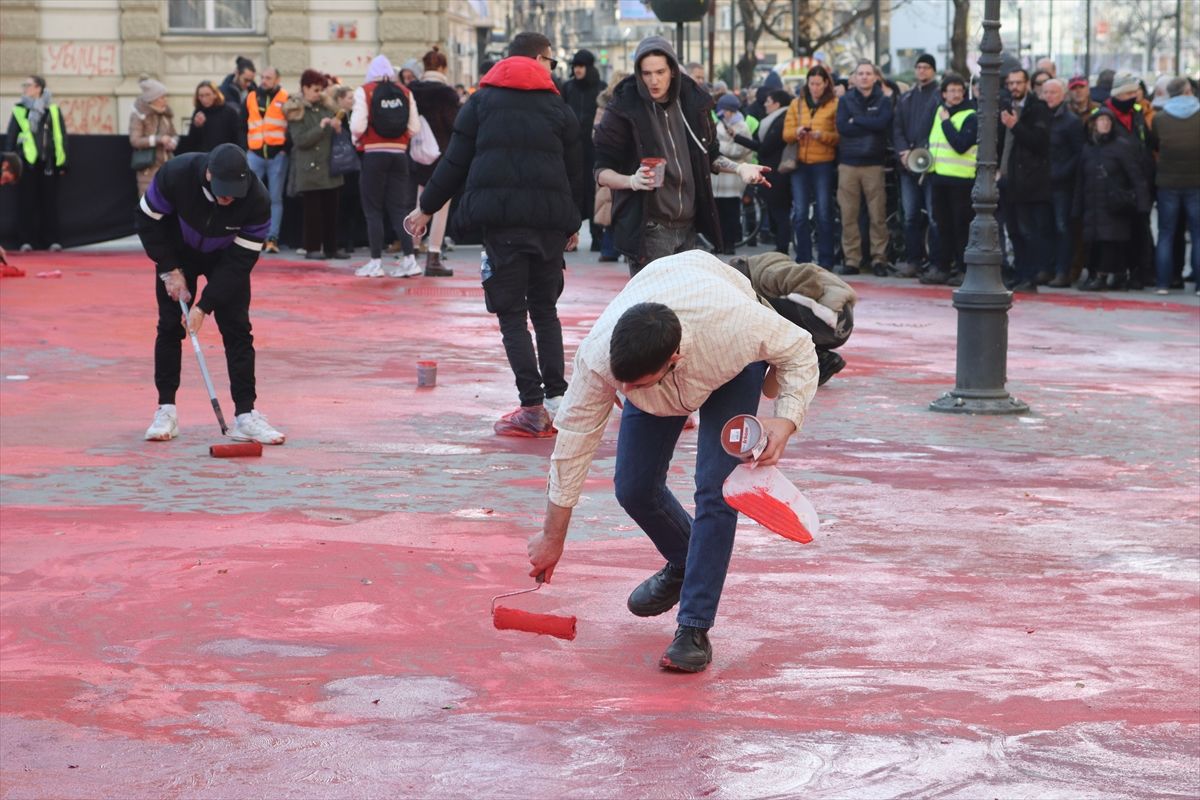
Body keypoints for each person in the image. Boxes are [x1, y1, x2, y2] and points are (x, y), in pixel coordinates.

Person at [524, 249, 818, 673]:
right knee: (633, 487)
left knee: (718, 490)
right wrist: (553, 536)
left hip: (729, 366)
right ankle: (686, 560)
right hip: (664, 326)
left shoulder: (736, 326)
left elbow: (799, 348)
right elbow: (574, 441)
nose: (624, 393)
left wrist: (785, 422)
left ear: (672, 360)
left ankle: (694, 627)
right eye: (621, 385)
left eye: (635, 386)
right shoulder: (601, 356)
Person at [404, 32, 582, 437]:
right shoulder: (558, 108)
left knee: (511, 314)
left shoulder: (481, 103)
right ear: (539, 59)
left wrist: (425, 207)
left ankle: (533, 407)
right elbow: (576, 172)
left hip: (501, 226)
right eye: (551, 62)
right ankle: (556, 398)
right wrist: (573, 221)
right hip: (549, 225)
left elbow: (454, 162)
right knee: (545, 309)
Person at [138, 143, 285, 445]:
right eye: (222, 190)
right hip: (178, 252)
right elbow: (147, 222)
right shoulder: (176, 174)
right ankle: (166, 410)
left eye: (234, 191)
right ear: (208, 174)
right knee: (169, 326)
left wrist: (204, 306)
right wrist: (169, 268)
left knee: (238, 330)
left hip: (226, 256)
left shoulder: (256, 200)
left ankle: (245, 414)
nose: (227, 197)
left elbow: (241, 262)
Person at [592, 36, 769, 276]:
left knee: (685, 306)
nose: (653, 80)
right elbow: (601, 171)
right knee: (654, 307)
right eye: (646, 74)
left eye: (660, 72)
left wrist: (740, 168)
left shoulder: (692, 103)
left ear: (673, 71)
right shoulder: (624, 107)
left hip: (689, 225)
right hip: (650, 226)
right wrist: (631, 181)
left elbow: (710, 154)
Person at [350, 55, 422, 278]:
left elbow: (357, 125)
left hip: (373, 155)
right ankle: (410, 260)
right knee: (399, 209)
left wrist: (359, 140)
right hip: (399, 155)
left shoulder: (365, 91)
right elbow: (415, 127)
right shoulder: (405, 91)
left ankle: (375, 262)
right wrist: (399, 140)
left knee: (373, 210)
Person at [1074, 109, 1152, 291]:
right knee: (1094, 243)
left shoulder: (1121, 146)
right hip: (1092, 204)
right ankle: (1099, 275)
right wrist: (1076, 208)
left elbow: (1136, 177)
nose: (1105, 124)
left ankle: (1103, 276)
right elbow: (1080, 180)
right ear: (1094, 124)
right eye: (1101, 120)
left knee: (1111, 242)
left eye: (1108, 121)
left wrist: (1142, 204)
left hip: (1114, 205)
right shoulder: (1088, 148)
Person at [835, 61, 894, 276]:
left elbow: (882, 125)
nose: (864, 77)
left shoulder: (884, 100)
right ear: (854, 77)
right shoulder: (844, 100)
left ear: (875, 77)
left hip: (874, 164)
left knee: (877, 215)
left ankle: (879, 259)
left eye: (868, 73)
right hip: (848, 164)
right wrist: (869, 122)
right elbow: (842, 127)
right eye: (860, 73)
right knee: (848, 215)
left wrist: (857, 120)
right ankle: (852, 260)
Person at [998, 68, 1053, 293]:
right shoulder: (1005, 108)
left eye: (1018, 83)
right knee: (1014, 230)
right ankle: (1020, 273)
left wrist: (1015, 125)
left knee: (1028, 230)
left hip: (1029, 182)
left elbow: (1039, 142)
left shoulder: (1037, 109)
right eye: (1010, 83)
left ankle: (1030, 275)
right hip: (1008, 180)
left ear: (1027, 84)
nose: (1014, 87)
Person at [920, 73, 978, 287]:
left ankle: (963, 269)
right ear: (943, 94)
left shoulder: (970, 115)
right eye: (951, 90)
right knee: (940, 226)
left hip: (961, 180)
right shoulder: (939, 111)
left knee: (961, 226)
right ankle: (941, 266)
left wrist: (946, 123)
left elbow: (961, 144)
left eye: (958, 90)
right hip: (939, 177)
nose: (955, 94)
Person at [283, 69, 348, 261]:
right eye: (314, 89)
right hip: (309, 168)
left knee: (331, 212)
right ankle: (312, 248)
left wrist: (337, 127)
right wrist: (320, 128)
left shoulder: (327, 107)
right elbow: (300, 140)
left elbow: (338, 132)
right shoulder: (296, 110)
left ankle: (331, 248)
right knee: (312, 214)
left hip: (329, 167)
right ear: (304, 88)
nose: (318, 93)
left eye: (320, 89)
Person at [408, 46, 461, 276]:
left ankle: (411, 252)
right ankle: (434, 256)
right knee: (440, 206)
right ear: (442, 67)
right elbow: (455, 124)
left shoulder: (412, 90)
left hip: (417, 153)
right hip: (443, 155)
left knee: (419, 203)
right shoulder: (447, 93)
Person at [782, 66, 839, 267]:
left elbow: (838, 137)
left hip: (823, 162)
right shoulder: (796, 104)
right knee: (799, 213)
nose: (815, 87)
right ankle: (803, 259)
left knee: (824, 212)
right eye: (812, 83)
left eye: (818, 83)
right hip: (799, 164)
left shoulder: (834, 104)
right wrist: (797, 131)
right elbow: (786, 134)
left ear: (826, 84)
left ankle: (826, 260)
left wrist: (820, 135)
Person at [892, 53, 941, 277]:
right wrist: (904, 152)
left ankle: (936, 262)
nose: (922, 71)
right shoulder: (907, 98)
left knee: (934, 216)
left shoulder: (939, 96)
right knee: (910, 215)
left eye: (926, 67)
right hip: (907, 165)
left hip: (931, 164)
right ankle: (913, 260)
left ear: (933, 70)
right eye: (919, 67)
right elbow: (897, 128)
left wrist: (921, 151)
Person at [5, 75, 67, 252]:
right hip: (26, 163)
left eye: (28, 85)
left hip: (48, 163)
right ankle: (26, 241)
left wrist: (62, 163)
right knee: (26, 203)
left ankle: (52, 240)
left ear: (38, 88)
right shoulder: (19, 109)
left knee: (49, 204)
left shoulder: (52, 110)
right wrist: (9, 162)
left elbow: (61, 136)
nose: (25, 88)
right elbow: (11, 136)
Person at [1152, 77, 1200, 294]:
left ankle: (1163, 282)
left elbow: (1154, 145)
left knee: (1166, 234)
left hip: (1167, 182)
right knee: (1198, 235)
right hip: (1196, 182)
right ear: (1188, 90)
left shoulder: (1160, 118)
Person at [735, 89, 794, 256]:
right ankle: (780, 244)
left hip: (777, 172)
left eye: (768, 101)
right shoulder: (773, 120)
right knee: (776, 209)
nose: (765, 105)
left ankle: (782, 246)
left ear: (777, 104)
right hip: (772, 170)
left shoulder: (781, 121)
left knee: (779, 210)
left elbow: (765, 147)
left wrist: (738, 138)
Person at [561, 49, 607, 253]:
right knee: (572, 192)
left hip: (593, 150)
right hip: (571, 149)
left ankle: (598, 238)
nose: (577, 70)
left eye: (581, 66)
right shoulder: (568, 87)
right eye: (575, 66)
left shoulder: (600, 88)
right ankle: (570, 238)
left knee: (594, 192)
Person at [1041, 79, 1085, 288]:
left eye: (1053, 92)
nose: (1049, 96)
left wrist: (1061, 173)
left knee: (1062, 228)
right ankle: (1047, 268)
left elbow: (1079, 154)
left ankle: (1062, 271)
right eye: (1046, 92)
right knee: (1045, 227)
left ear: (1062, 95)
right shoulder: (1040, 117)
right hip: (1043, 183)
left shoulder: (1071, 121)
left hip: (1063, 184)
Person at [245, 67, 289, 253]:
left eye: (268, 78)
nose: (264, 80)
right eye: (262, 77)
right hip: (254, 153)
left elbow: (291, 124)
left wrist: (285, 149)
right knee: (249, 197)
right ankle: (251, 236)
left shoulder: (285, 98)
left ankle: (272, 238)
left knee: (275, 198)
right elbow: (242, 122)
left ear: (277, 79)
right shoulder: (251, 97)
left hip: (276, 155)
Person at [713, 93, 752, 255]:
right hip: (719, 178)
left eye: (727, 110)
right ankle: (718, 243)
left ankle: (730, 244)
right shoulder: (719, 126)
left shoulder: (742, 127)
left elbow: (741, 149)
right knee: (718, 213)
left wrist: (721, 148)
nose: (725, 113)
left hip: (732, 177)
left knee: (731, 213)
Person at [129, 78, 178, 197]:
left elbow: (174, 134)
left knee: (168, 204)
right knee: (149, 205)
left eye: (165, 96)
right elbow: (135, 140)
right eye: (161, 97)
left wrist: (172, 142)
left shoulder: (166, 115)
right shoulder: (139, 115)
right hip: (148, 169)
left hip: (167, 165)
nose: (165, 100)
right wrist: (158, 140)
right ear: (152, 99)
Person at [330, 84, 364, 255]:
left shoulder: (353, 115)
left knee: (352, 205)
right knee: (341, 206)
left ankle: (349, 241)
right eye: (350, 98)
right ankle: (341, 240)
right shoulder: (337, 116)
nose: (353, 101)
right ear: (340, 99)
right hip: (341, 166)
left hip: (352, 166)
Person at [178, 80, 243, 154]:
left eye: (207, 95)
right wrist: (197, 126)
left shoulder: (229, 112)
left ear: (215, 95)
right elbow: (192, 142)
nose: (204, 99)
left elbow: (236, 138)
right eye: (201, 96)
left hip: (223, 156)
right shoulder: (198, 112)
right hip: (203, 157)